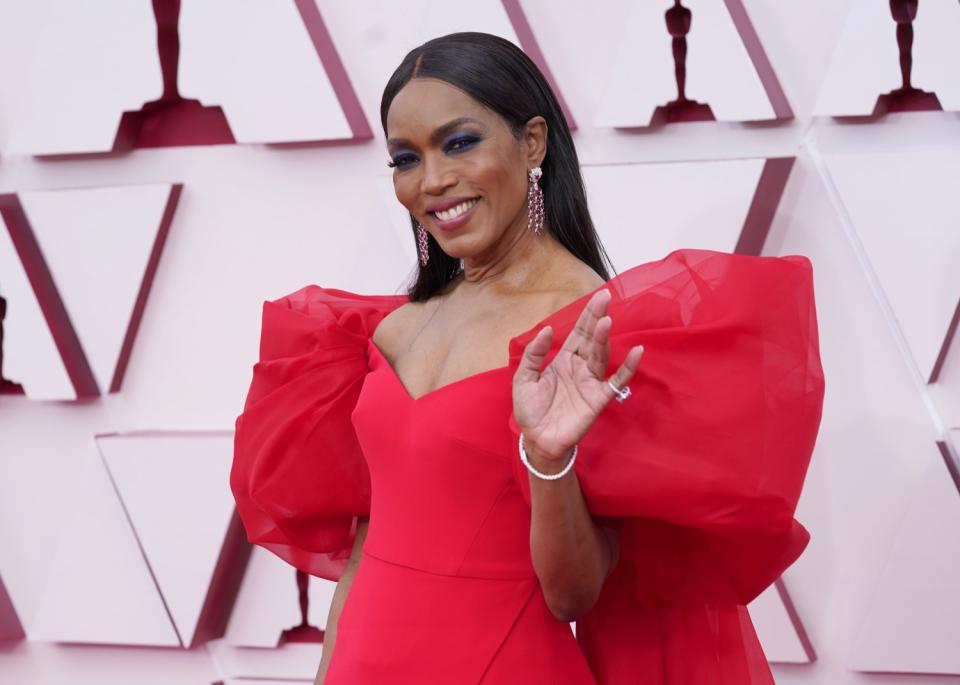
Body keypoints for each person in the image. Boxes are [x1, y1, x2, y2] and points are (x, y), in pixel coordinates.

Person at [230, 32, 824, 685]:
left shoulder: (592, 330)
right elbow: (366, 549)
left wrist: (549, 459)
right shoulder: (397, 328)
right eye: (406, 157)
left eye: (459, 143)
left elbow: (575, 592)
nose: (432, 180)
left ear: (533, 142)